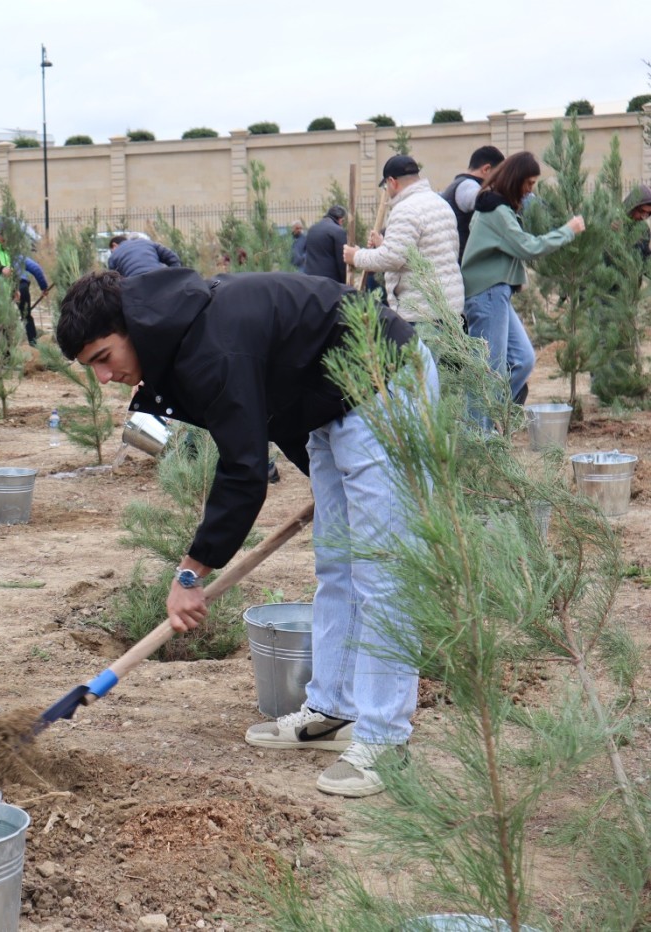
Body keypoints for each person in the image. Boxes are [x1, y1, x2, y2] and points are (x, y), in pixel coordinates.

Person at [56, 268, 437, 798]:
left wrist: (191, 573)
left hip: (383, 382)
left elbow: (243, 471)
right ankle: (334, 711)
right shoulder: (181, 335)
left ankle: (386, 739)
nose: (103, 378)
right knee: (338, 565)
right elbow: (271, 408)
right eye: (90, 367)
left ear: (133, 328)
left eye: (104, 358)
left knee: (381, 570)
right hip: (329, 408)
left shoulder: (211, 345)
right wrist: (333, 486)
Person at [461, 151, 585, 405]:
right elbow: (528, 247)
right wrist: (568, 231)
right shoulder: (496, 210)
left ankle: (495, 418)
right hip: (488, 294)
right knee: (489, 372)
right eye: (528, 184)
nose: (530, 191)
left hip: (496, 294)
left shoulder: (495, 207)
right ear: (515, 179)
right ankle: (480, 435)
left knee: (523, 359)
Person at [344, 154, 463, 323]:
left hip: (422, 309)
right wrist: (384, 244)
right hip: (449, 304)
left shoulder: (406, 209)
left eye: (386, 186)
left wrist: (355, 256)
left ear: (392, 182)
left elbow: (392, 259)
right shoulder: (440, 203)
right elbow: (429, 252)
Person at [440, 145, 505, 261]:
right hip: (462, 263)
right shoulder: (468, 185)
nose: (498, 180)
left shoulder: (458, 184)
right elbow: (482, 201)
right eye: (498, 174)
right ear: (486, 169)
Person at [302, 206, 348, 282]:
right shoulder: (338, 231)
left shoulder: (312, 229)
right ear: (341, 219)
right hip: (329, 281)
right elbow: (342, 260)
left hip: (310, 279)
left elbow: (305, 252)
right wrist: (344, 281)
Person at [106, 234, 183, 277]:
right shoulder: (146, 242)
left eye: (111, 251)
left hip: (134, 284)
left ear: (114, 245)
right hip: (158, 277)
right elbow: (173, 258)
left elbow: (113, 281)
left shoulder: (113, 256)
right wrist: (173, 278)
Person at [625, 184, 651, 260]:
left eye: (648, 213)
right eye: (641, 211)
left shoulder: (644, 228)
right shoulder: (614, 222)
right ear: (632, 206)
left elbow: (645, 257)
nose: (643, 217)